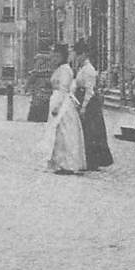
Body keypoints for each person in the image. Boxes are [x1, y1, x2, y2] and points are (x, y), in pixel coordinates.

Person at [46, 43, 86, 174]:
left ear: (62, 56)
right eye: (53, 55)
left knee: (65, 132)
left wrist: (57, 107)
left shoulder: (65, 70)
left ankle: (68, 164)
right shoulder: (60, 69)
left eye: (56, 55)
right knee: (58, 133)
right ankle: (58, 162)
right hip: (57, 100)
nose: (53, 58)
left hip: (63, 104)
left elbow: (64, 89)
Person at [73, 40, 113, 170]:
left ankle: (94, 161)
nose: (77, 57)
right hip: (82, 99)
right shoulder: (82, 68)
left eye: (79, 54)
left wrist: (84, 107)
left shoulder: (89, 70)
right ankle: (88, 159)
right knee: (87, 132)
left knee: (93, 132)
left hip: (90, 103)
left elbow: (89, 90)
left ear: (84, 54)